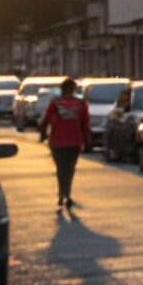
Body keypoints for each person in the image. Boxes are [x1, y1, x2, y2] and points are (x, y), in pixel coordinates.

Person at [40, 77, 89, 211]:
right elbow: (85, 123)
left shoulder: (55, 104)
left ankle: (63, 193)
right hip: (74, 141)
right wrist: (87, 139)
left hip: (57, 141)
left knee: (61, 169)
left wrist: (43, 133)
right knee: (70, 169)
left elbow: (46, 120)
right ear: (73, 89)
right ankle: (67, 193)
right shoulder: (81, 104)